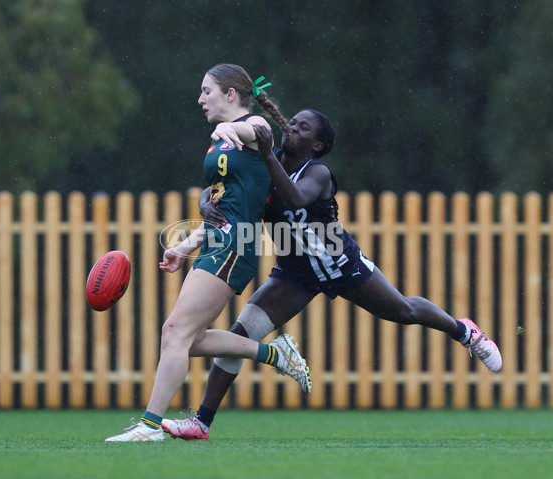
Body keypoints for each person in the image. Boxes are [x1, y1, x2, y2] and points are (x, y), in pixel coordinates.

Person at [161, 108, 503, 440]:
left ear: (318, 145)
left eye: (304, 128)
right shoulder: (268, 159)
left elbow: (295, 199)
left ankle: (465, 332)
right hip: (293, 273)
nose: (293, 127)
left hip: (339, 263)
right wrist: (206, 200)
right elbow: (227, 184)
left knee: (404, 310)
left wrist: (266, 156)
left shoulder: (316, 172)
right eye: (292, 121)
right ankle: (201, 423)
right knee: (238, 336)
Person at [105, 64, 311, 442]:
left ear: (231, 95)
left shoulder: (251, 130)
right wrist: (185, 246)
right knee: (190, 339)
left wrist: (231, 128)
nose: (200, 100)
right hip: (219, 242)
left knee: (174, 331)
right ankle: (275, 355)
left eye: (207, 91)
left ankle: (149, 427)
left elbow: (260, 132)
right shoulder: (220, 141)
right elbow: (224, 206)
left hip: (236, 246)